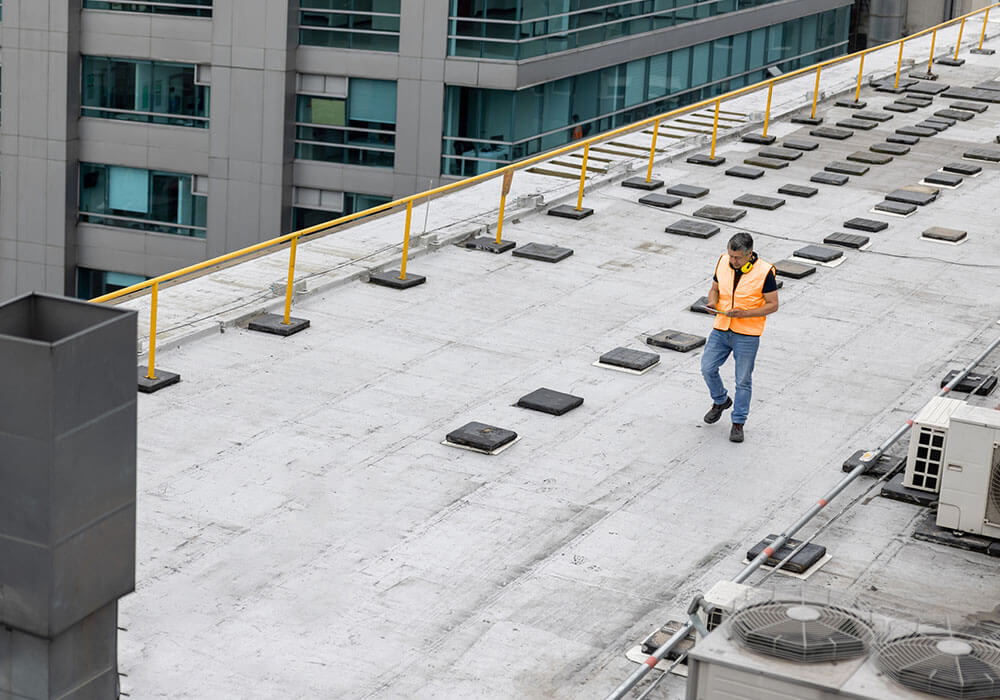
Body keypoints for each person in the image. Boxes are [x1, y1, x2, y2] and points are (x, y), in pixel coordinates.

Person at [700, 232, 779, 443]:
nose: (732, 261)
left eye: (737, 258)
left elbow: (773, 305)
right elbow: (714, 289)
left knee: (743, 380)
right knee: (707, 368)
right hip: (721, 327)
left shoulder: (764, 272)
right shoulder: (723, 262)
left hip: (747, 334)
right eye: (730, 256)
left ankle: (738, 422)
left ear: (749, 255)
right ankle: (721, 400)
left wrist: (745, 313)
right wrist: (712, 303)